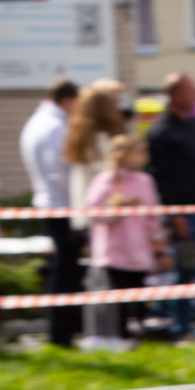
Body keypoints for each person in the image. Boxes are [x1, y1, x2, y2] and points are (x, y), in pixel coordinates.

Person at [146, 73, 195, 340]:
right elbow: (162, 179)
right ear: (175, 96)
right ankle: (182, 326)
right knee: (185, 271)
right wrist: (175, 213)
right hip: (186, 215)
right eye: (191, 91)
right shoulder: (161, 132)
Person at [64, 80, 129, 347]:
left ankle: (100, 333)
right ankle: (104, 335)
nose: (119, 108)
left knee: (97, 274)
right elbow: (110, 177)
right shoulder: (101, 141)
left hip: (89, 214)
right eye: (114, 103)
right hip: (104, 216)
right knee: (104, 276)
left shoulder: (82, 138)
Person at [84, 131, 168, 336]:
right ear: (123, 154)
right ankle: (118, 336)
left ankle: (141, 333)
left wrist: (156, 238)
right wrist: (116, 207)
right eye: (139, 152)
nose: (143, 156)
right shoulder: (105, 180)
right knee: (117, 298)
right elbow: (94, 213)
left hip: (139, 249)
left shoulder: (145, 181)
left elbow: (153, 214)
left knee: (139, 294)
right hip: (114, 252)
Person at [18, 79, 80, 347]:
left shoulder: (37, 122)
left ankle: (62, 330)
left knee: (62, 267)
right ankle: (61, 333)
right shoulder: (56, 127)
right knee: (65, 270)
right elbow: (61, 172)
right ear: (67, 99)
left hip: (50, 203)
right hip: (62, 205)